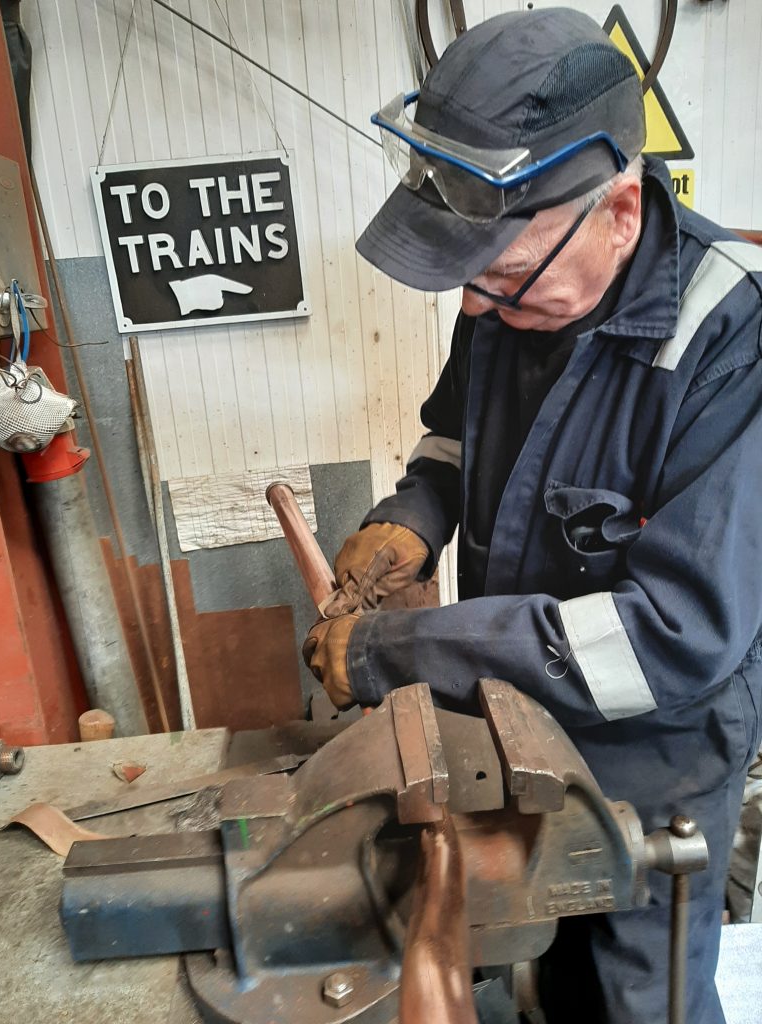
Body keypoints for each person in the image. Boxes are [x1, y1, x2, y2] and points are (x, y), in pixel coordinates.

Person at [303, 9, 762, 1023]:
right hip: (517, 722)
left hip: (659, 759)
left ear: (623, 211)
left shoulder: (732, 339)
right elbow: (451, 439)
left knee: (634, 995)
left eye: (504, 280)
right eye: (471, 282)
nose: (478, 309)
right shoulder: (512, 300)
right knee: (545, 968)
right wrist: (410, 517)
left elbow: (670, 639)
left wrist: (397, 648)